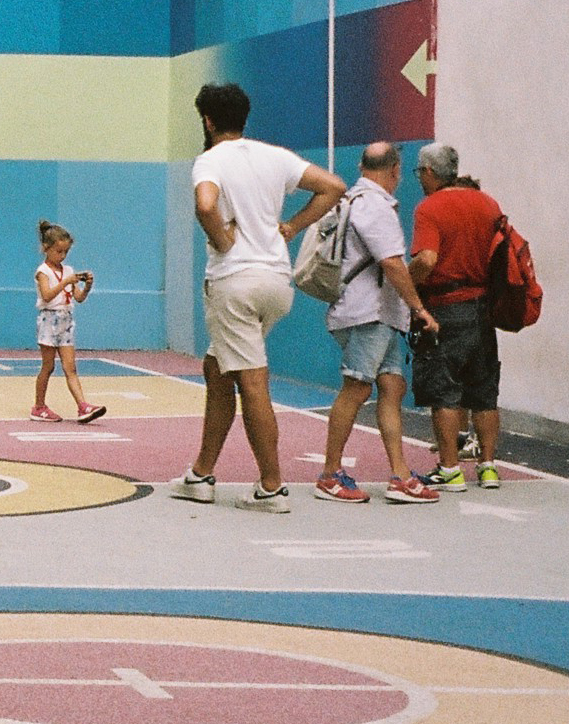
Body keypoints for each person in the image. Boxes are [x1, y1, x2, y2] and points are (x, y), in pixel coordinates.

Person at [173, 83, 345, 512]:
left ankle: (272, 486)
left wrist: (223, 241)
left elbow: (206, 205)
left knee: (251, 382)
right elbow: (333, 186)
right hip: (276, 283)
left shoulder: (209, 161)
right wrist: (291, 227)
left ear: (208, 121)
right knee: (217, 369)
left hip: (236, 284)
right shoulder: (275, 156)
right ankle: (200, 474)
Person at [316, 142, 443, 504]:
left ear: (361, 165)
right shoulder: (375, 206)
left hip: (374, 313)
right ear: (395, 170)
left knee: (391, 387)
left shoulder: (354, 200)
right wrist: (418, 308)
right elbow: (391, 262)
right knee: (356, 387)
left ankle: (400, 474)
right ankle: (329, 474)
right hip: (368, 313)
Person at [406, 143, 503, 489]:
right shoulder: (487, 203)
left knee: (444, 392)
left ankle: (450, 469)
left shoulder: (430, 208)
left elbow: (427, 259)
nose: (419, 180)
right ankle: (488, 467)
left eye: (420, 173)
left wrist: (405, 280)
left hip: (446, 307)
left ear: (430, 173)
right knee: (484, 392)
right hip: (483, 307)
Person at [30, 221, 107, 424]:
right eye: (58, 251)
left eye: (65, 252)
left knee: (70, 367)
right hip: (49, 319)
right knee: (48, 366)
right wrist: (65, 282)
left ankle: (83, 406)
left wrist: (87, 286)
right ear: (47, 249)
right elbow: (46, 295)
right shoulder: (43, 272)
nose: (62, 256)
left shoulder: (68, 270)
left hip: (66, 319)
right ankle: (39, 406)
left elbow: (78, 298)